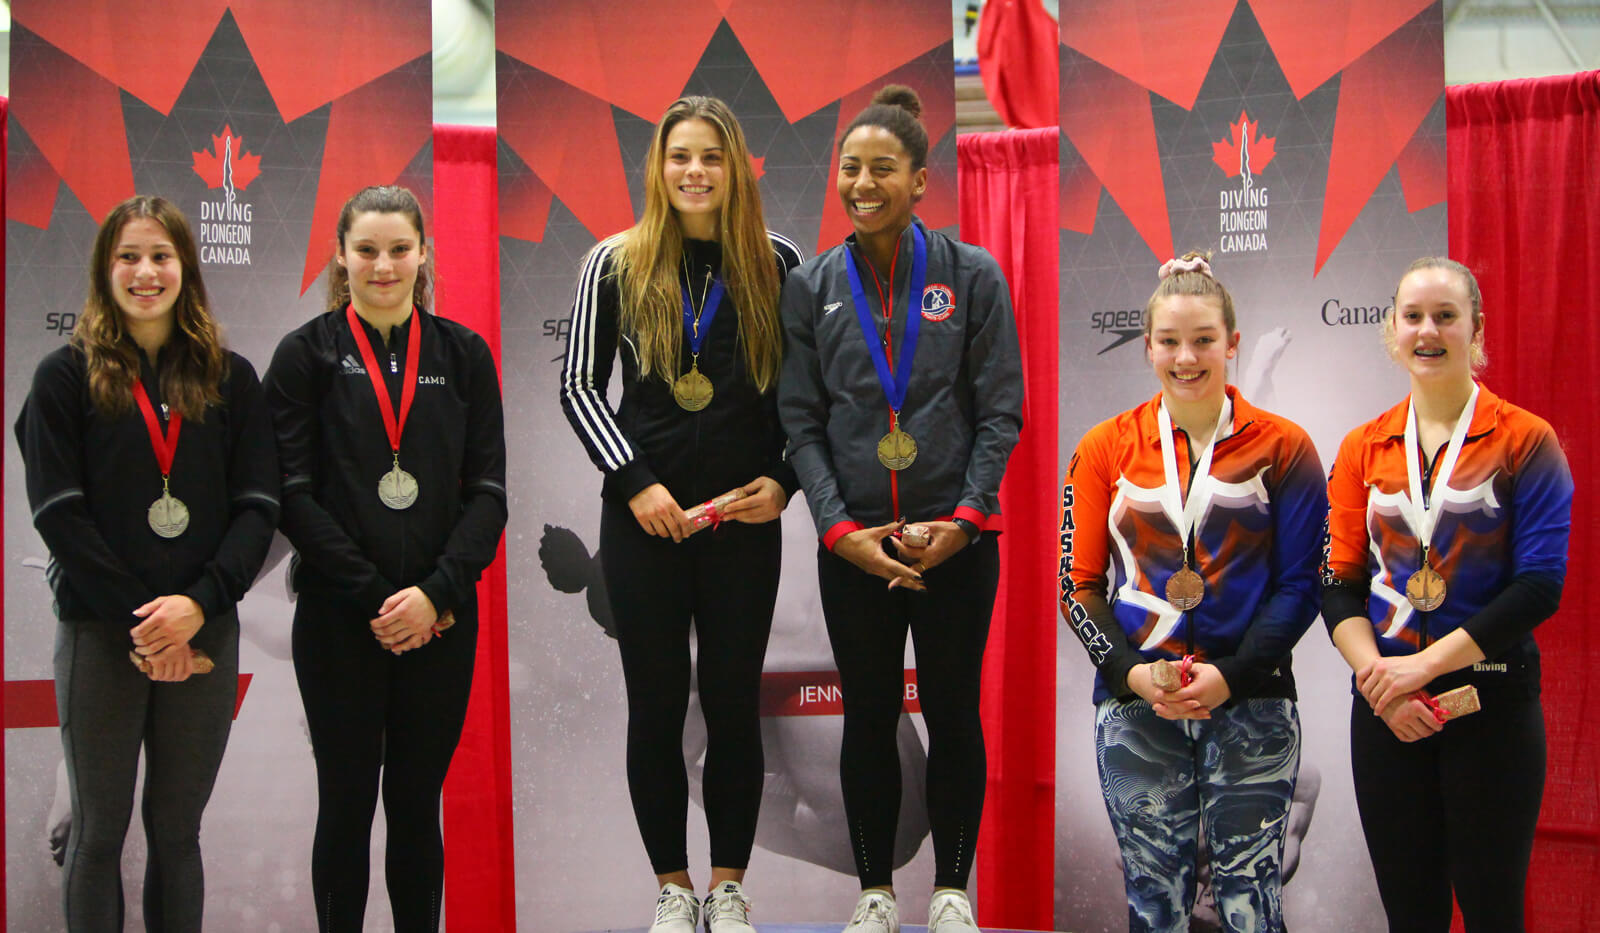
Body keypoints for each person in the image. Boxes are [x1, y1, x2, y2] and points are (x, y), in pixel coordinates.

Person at [778, 84, 1023, 933]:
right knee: (870, 714)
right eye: (850, 168)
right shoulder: (810, 288)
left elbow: (1000, 412)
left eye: (883, 168)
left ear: (921, 180)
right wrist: (840, 531)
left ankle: (952, 893)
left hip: (957, 543)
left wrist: (965, 516)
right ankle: (876, 894)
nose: (862, 183)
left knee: (953, 709)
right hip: (857, 549)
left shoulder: (972, 276)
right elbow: (801, 424)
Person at [559, 96, 802, 933]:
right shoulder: (614, 263)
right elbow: (580, 386)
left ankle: (728, 887)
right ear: (658, 169)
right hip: (645, 525)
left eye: (710, 156)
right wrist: (635, 483)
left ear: (735, 167)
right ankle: (672, 885)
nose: (694, 171)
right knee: (656, 705)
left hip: (743, 524)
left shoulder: (779, 262)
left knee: (734, 702)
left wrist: (784, 483)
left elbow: (803, 402)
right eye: (678, 157)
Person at [16, 195, 279, 931]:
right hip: (101, 633)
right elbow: (58, 515)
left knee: (177, 833)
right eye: (128, 256)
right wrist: (145, 623)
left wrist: (194, 608)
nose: (145, 271)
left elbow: (258, 509)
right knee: (97, 836)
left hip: (205, 631)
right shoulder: (62, 378)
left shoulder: (233, 378)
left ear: (186, 270)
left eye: (160, 255)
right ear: (105, 270)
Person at [263, 185, 507, 933]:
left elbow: (490, 496)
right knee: (344, 800)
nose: (383, 265)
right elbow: (294, 499)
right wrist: (378, 597)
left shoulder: (463, 355)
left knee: (413, 803)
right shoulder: (304, 356)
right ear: (341, 255)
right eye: (366, 249)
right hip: (342, 621)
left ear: (423, 253)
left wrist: (433, 595)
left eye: (399, 248)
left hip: (439, 622)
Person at [1059, 253, 1325, 933]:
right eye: (1170, 341)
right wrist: (1130, 673)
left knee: (1249, 904)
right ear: (1146, 345)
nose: (1187, 356)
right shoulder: (1102, 447)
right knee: (1155, 904)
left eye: (1204, 338)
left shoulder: (1286, 447)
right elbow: (1077, 584)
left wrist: (1231, 676)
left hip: (1253, 702)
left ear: (1233, 344)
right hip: (1135, 706)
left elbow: (1301, 586)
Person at [1322, 257, 1571, 932]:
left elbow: (1540, 585)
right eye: (1413, 316)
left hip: (1490, 709)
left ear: (1475, 328)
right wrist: (1383, 681)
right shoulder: (1360, 448)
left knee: (1493, 912)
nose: (1428, 330)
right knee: (1412, 916)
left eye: (1445, 315)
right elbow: (1338, 584)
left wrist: (1423, 669)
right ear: (1391, 331)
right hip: (1386, 715)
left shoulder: (1528, 441)